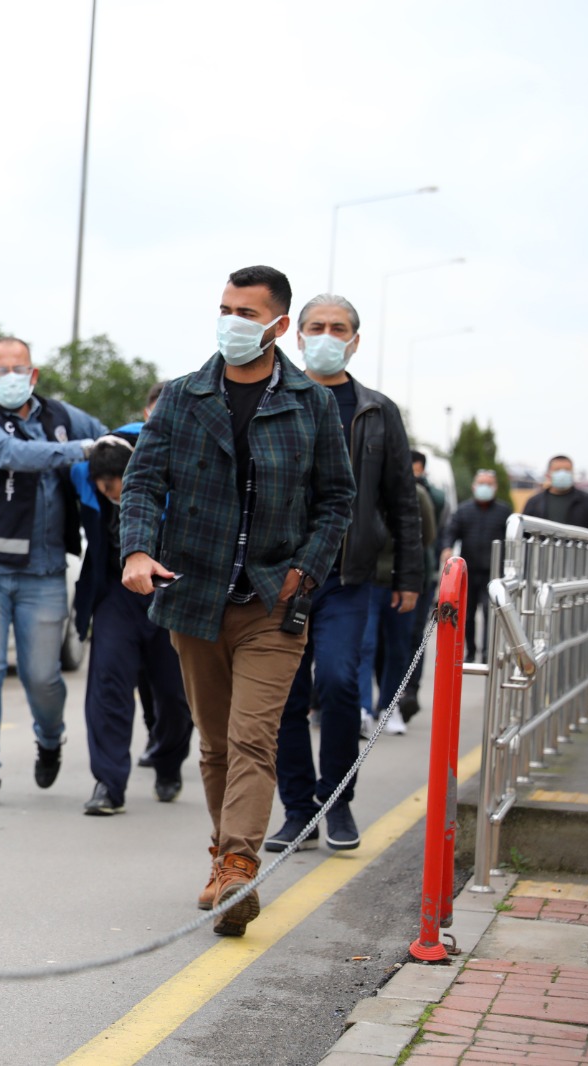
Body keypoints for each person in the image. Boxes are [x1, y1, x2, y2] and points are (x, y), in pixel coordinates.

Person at [120, 265, 354, 937]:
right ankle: (223, 858)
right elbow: (142, 481)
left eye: (246, 313)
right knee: (217, 745)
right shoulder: (185, 395)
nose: (232, 322)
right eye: (225, 308)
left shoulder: (310, 402)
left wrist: (305, 572)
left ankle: (240, 871)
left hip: (273, 605)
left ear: (278, 326)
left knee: (254, 738)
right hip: (194, 598)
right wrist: (137, 549)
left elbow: (336, 501)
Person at [268, 294, 420, 857]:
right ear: (297, 336)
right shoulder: (273, 399)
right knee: (284, 693)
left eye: (338, 328)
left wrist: (410, 576)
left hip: (348, 576)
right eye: (316, 326)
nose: (327, 335)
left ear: (354, 341)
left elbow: (402, 499)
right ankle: (297, 810)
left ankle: (338, 800)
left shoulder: (377, 411)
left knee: (337, 682)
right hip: (279, 576)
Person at [0, 338, 105, 809]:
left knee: (42, 676)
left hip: (44, 571)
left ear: (33, 375)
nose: (12, 376)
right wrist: (87, 449)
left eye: (21, 368)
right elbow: (15, 455)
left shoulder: (61, 417)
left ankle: (51, 738)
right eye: (3, 369)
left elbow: (109, 434)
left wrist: (122, 440)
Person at [71, 430, 194, 812]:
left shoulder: (171, 477)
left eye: (116, 485)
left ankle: (168, 762)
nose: (111, 493)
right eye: (103, 487)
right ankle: (108, 785)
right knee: (107, 686)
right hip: (114, 595)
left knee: (174, 694)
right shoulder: (84, 478)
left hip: (168, 592)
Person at [440, 470, 512, 662]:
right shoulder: (464, 511)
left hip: (493, 573)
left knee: (491, 613)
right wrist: (446, 547)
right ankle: (470, 651)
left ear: (495, 487)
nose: (485, 487)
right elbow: (451, 532)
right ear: (474, 486)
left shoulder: (504, 512)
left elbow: (513, 540)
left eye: (489, 484)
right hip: (468, 572)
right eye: (481, 483)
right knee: (467, 614)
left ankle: (487, 653)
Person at [135, 381, 169, 768]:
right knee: (142, 673)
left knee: (172, 682)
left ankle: (169, 748)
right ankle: (153, 734)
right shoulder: (125, 448)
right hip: (136, 579)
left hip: (181, 580)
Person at [400, 451, 446, 722]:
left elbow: (432, 529)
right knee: (390, 641)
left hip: (423, 575)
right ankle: (393, 694)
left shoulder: (431, 496)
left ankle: (410, 691)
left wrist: (419, 487)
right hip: (391, 577)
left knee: (414, 635)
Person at [522, 455, 588, 531]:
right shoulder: (534, 502)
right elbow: (524, 533)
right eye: (557, 470)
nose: (563, 473)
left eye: (567, 470)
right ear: (548, 474)